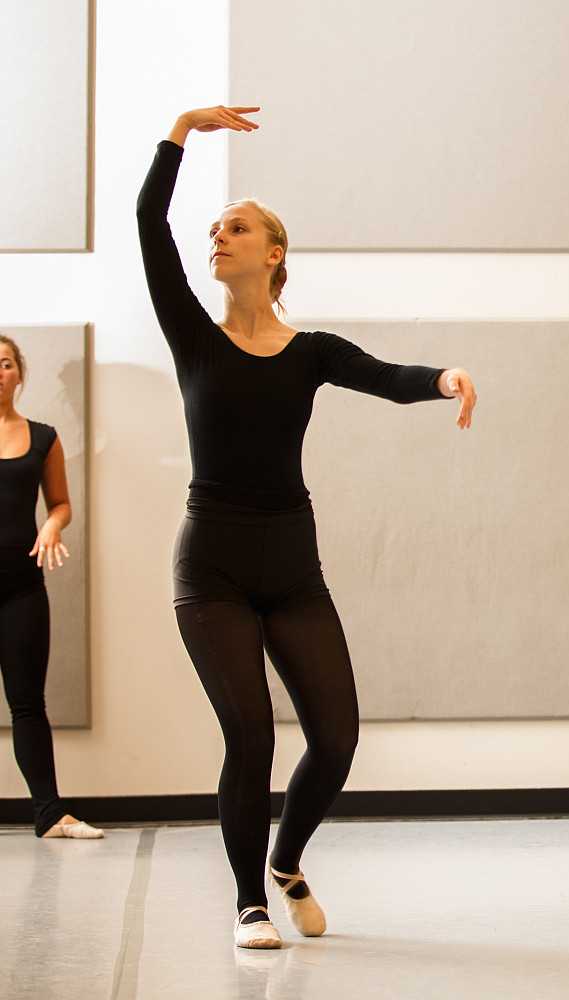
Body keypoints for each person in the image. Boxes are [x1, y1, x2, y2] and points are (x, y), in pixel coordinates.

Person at [138, 106, 477, 948]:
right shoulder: (193, 336)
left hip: (292, 567)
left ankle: (287, 861)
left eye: (236, 227)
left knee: (334, 739)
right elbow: (150, 221)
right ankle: (250, 902)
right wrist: (180, 131)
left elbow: (386, 376)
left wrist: (444, 377)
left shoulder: (311, 351)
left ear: (274, 253)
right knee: (250, 735)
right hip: (211, 567)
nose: (217, 236)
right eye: (214, 229)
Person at [0, 334, 102, 842]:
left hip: (21, 588)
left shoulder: (43, 437)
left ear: (19, 373)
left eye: (5, 363)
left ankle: (50, 815)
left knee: (27, 704)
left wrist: (52, 526)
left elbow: (60, 503)